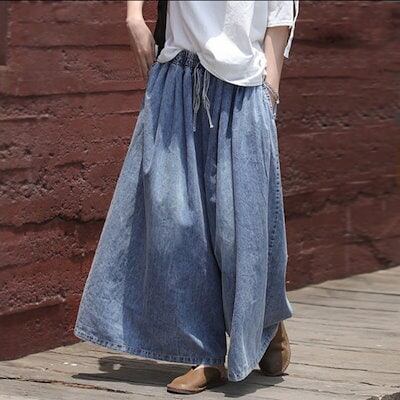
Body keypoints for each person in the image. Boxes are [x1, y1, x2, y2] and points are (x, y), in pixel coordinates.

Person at [74, 0, 299, 394]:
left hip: (243, 88)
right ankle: (206, 354)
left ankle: (264, 320)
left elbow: (279, 15)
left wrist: (270, 93)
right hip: (178, 76)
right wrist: (133, 16)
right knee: (176, 223)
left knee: (236, 234)